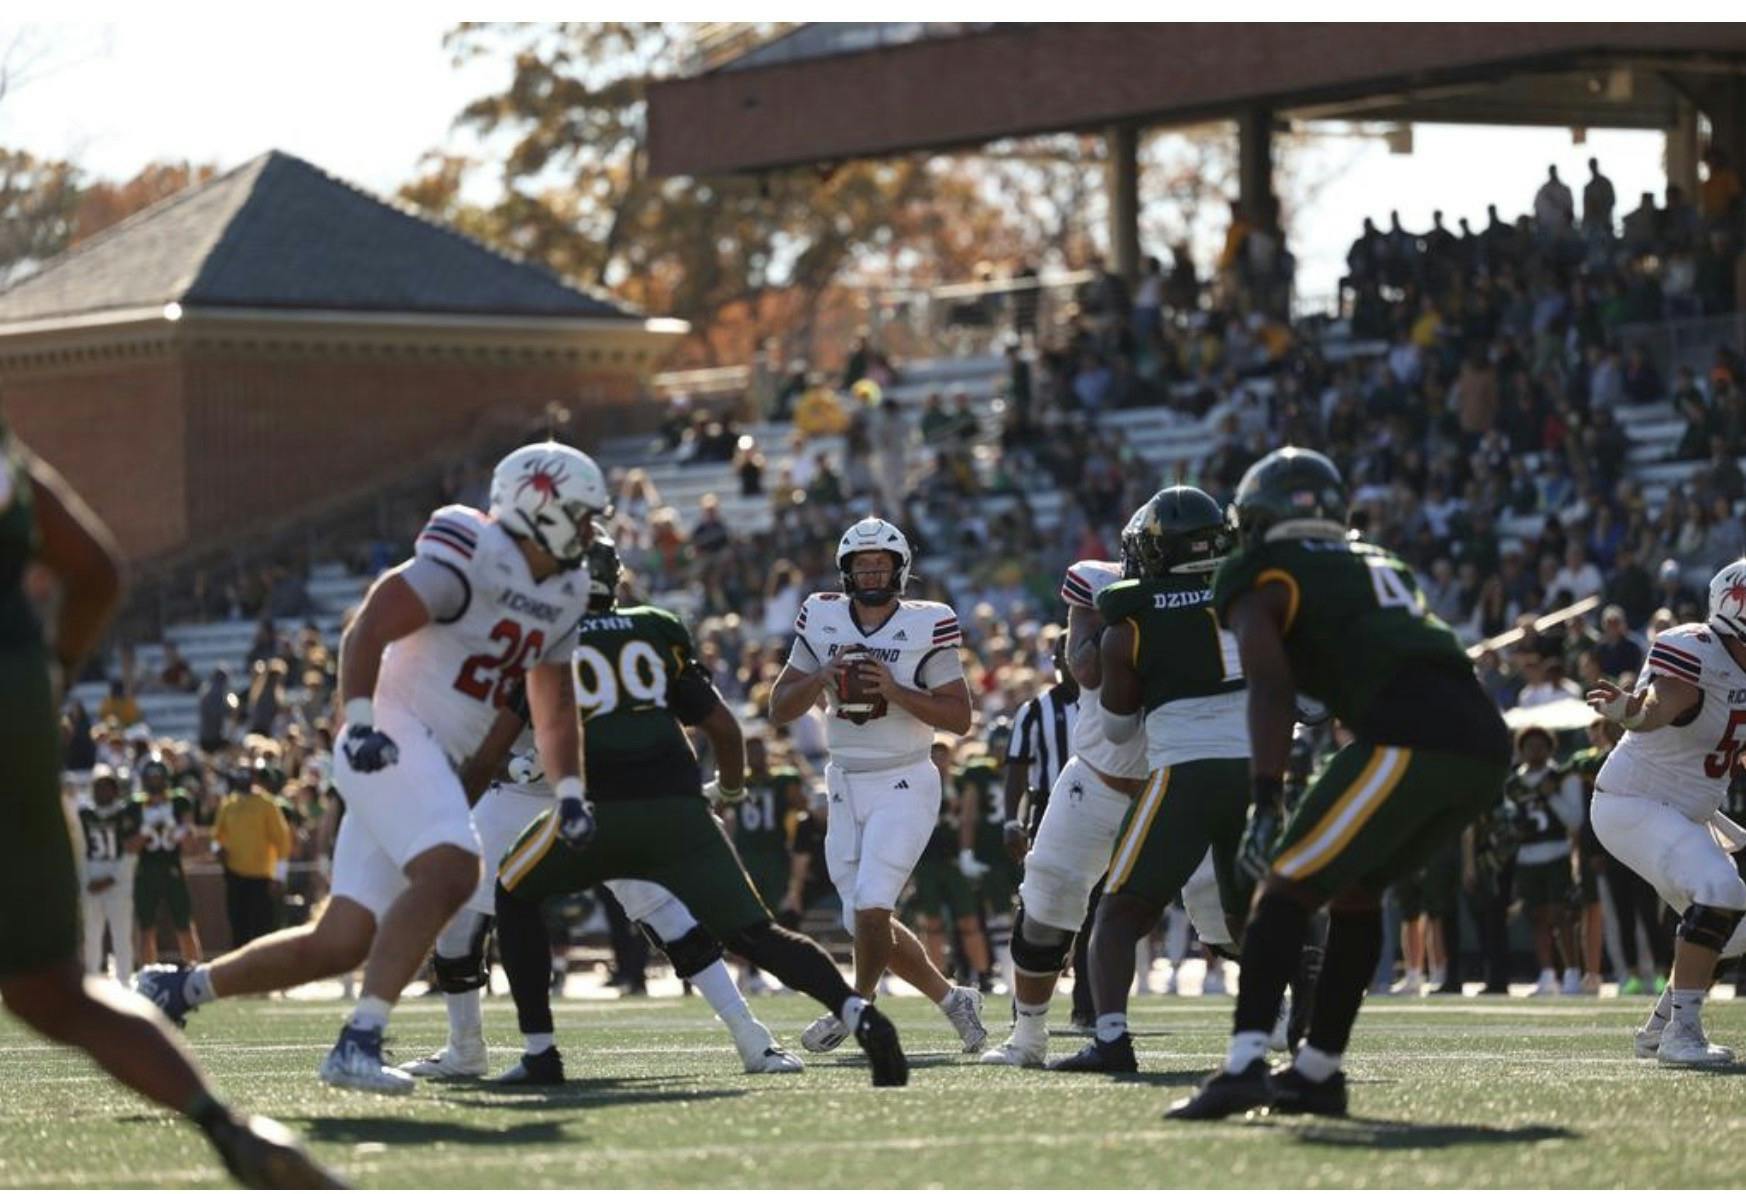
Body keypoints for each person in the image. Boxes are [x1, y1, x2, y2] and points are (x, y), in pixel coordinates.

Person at [137, 442, 607, 1095]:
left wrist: (572, 791)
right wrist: (357, 721)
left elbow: (553, 705)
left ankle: (179, 988)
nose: (591, 532)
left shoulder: (566, 588)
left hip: (432, 759)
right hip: (389, 733)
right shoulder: (473, 548)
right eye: (582, 516)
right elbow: (370, 626)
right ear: (541, 505)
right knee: (454, 869)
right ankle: (359, 1041)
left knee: (339, 941)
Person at [0, 422, 337, 1185]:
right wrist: (48, 673)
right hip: (16, 696)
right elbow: (97, 570)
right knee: (55, 989)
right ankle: (230, 1129)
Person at [1168, 447, 1510, 1120]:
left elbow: (1270, 686)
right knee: (1355, 892)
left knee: (1283, 884)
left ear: (1255, 518)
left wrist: (1266, 797)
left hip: (1411, 735)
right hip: (1482, 742)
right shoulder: (1381, 560)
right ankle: (1316, 1072)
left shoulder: (1260, 566)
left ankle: (1243, 1065)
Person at [408, 537, 808, 1083]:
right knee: (455, 912)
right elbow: (482, 731)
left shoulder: (606, 633)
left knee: (667, 912)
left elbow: (656, 721)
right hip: (526, 788)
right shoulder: (518, 629)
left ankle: (751, 1036)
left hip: (605, 785)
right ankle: (464, 1048)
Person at [1050, 487, 1252, 1074]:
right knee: (1255, 912)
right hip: (1258, 770)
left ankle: (1112, 1041)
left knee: (1116, 913)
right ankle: (1306, 1024)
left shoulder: (1130, 619)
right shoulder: (1251, 599)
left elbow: (1117, 731)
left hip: (1186, 772)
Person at [768, 517, 987, 1057]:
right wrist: (820, 677)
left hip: (904, 778)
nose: (870, 573)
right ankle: (954, 999)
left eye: (880, 564)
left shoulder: (927, 623)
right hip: (844, 781)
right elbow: (779, 708)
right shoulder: (821, 617)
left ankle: (855, 1007)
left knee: (870, 907)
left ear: (899, 570)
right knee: (865, 920)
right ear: (846, 571)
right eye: (861, 565)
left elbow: (959, 718)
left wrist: (895, 690)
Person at [1585, 559, 1746, 1065]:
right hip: (1633, 801)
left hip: (1689, 813)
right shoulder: (1697, 648)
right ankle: (1683, 1035)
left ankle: (1659, 1031)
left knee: (1735, 931)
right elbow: (1657, 707)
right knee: (1721, 890)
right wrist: (1629, 710)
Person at [1504, 726, 1583, 996]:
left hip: (1557, 853)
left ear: (1550, 749)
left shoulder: (1561, 777)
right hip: (1527, 857)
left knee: (1562, 915)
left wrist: (1551, 795)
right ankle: (1547, 973)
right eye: (1529, 746)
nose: (1535, 751)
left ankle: (1572, 973)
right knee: (1536, 917)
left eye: (1540, 746)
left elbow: (1574, 820)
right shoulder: (1513, 783)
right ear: (1520, 750)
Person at [213, 758, 294, 950]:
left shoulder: (267, 805)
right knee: (238, 927)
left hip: (261, 877)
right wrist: (217, 849)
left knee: (261, 929)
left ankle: (262, 966)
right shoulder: (229, 804)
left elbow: (282, 840)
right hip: (234, 875)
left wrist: (279, 875)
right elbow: (216, 836)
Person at [133, 757, 200, 968]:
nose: (155, 781)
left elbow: (191, 842)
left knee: (184, 923)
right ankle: (147, 974)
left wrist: (179, 833)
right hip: (146, 870)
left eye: (158, 777)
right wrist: (145, 833)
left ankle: (193, 970)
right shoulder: (135, 805)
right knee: (146, 927)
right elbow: (130, 846)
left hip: (172, 869)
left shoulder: (179, 801)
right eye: (151, 777)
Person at [79, 764, 142, 981]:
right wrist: (86, 880)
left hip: (119, 881)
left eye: (107, 787)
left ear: (115, 790)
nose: (102, 792)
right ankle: (91, 982)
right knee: (91, 937)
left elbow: (132, 850)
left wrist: (113, 878)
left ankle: (125, 983)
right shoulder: (84, 814)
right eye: (99, 787)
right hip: (91, 877)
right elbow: (80, 849)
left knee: (121, 937)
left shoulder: (125, 814)